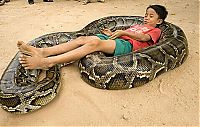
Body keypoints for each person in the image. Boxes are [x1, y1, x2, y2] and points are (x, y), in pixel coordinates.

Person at [17, 4, 168, 70]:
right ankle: (44, 52)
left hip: (128, 47)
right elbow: (128, 33)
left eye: (151, 16)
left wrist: (123, 32)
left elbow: (142, 38)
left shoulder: (155, 30)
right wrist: (112, 33)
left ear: (159, 21)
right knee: (81, 39)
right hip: (118, 40)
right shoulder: (138, 25)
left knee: (95, 43)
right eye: (145, 15)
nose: (146, 18)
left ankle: (48, 62)